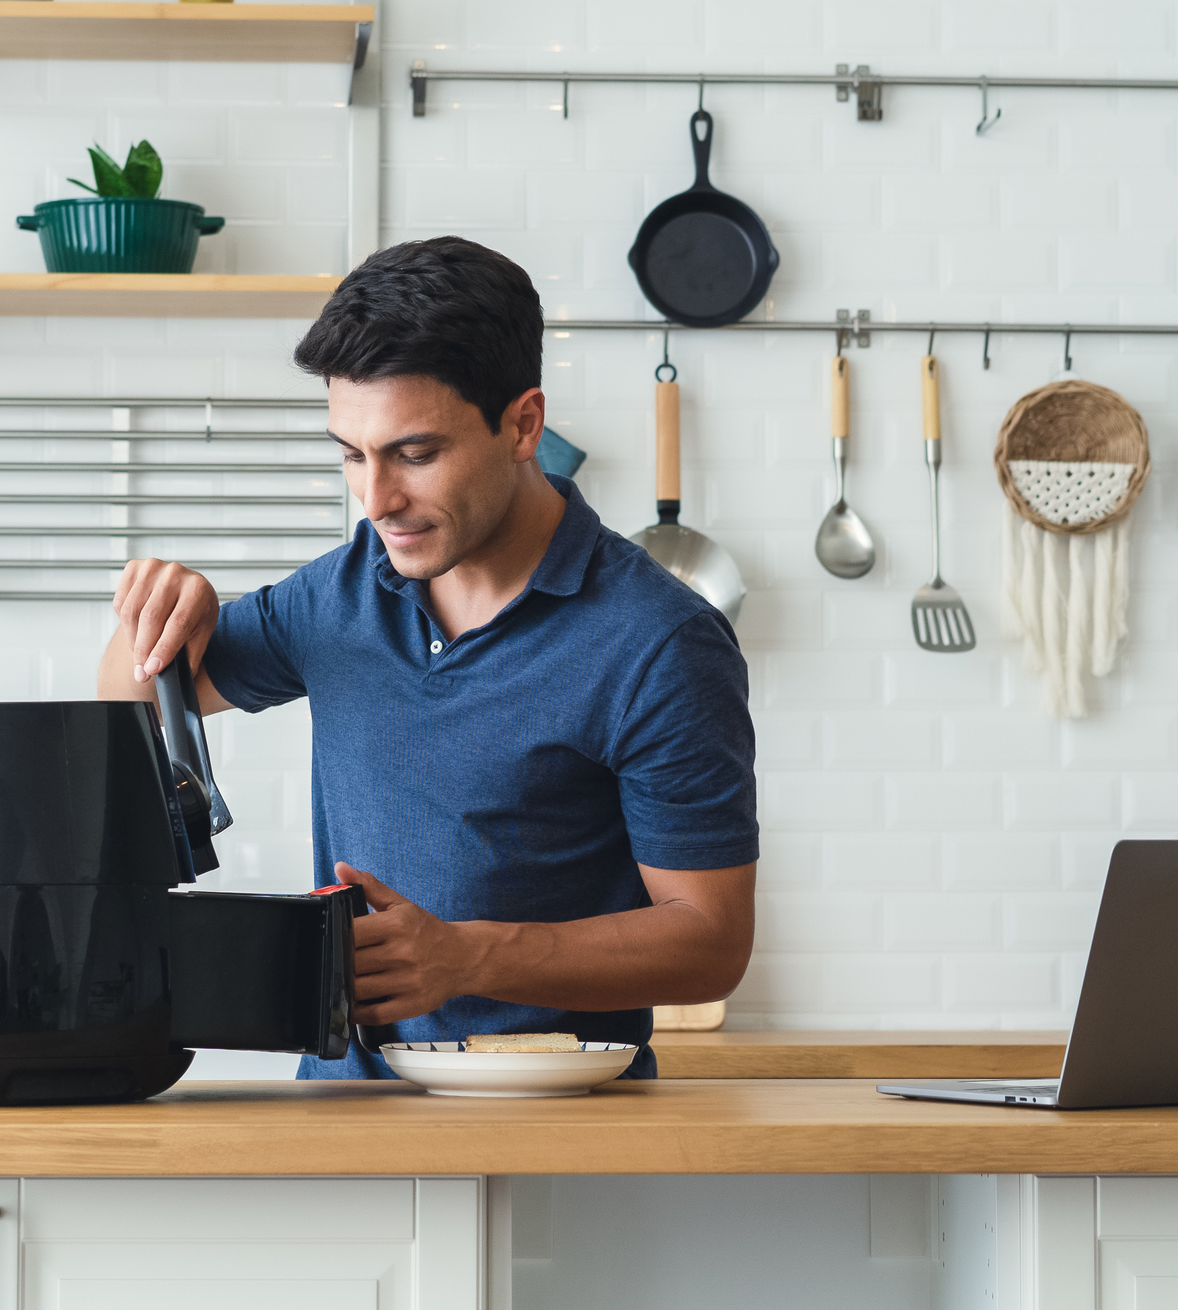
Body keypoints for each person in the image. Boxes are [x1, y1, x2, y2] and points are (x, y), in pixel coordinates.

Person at [97, 236, 758, 1079]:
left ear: (523, 424)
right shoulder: (338, 595)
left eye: (415, 454)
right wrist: (156, 616)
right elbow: (131, 703)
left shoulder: (659, 641)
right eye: (350, 454)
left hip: (557, 1137)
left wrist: (471, 957)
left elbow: (710, 939)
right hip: (345, 1137)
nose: (376, 500)